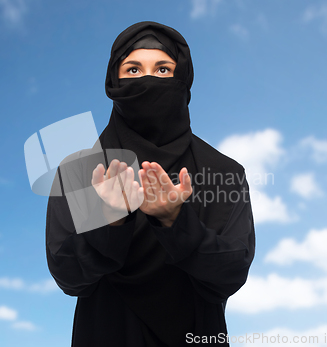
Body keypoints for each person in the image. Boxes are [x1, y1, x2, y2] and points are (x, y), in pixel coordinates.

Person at [45, 21, 256, 346]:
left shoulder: (222, 171)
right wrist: (110, 220)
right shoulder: (82, 170)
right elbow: (70, 278)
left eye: (162, 69)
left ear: (182, 79)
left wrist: (176, 222)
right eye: (133, 70)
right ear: (113, 82)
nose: (147, 81)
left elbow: (230, 274)